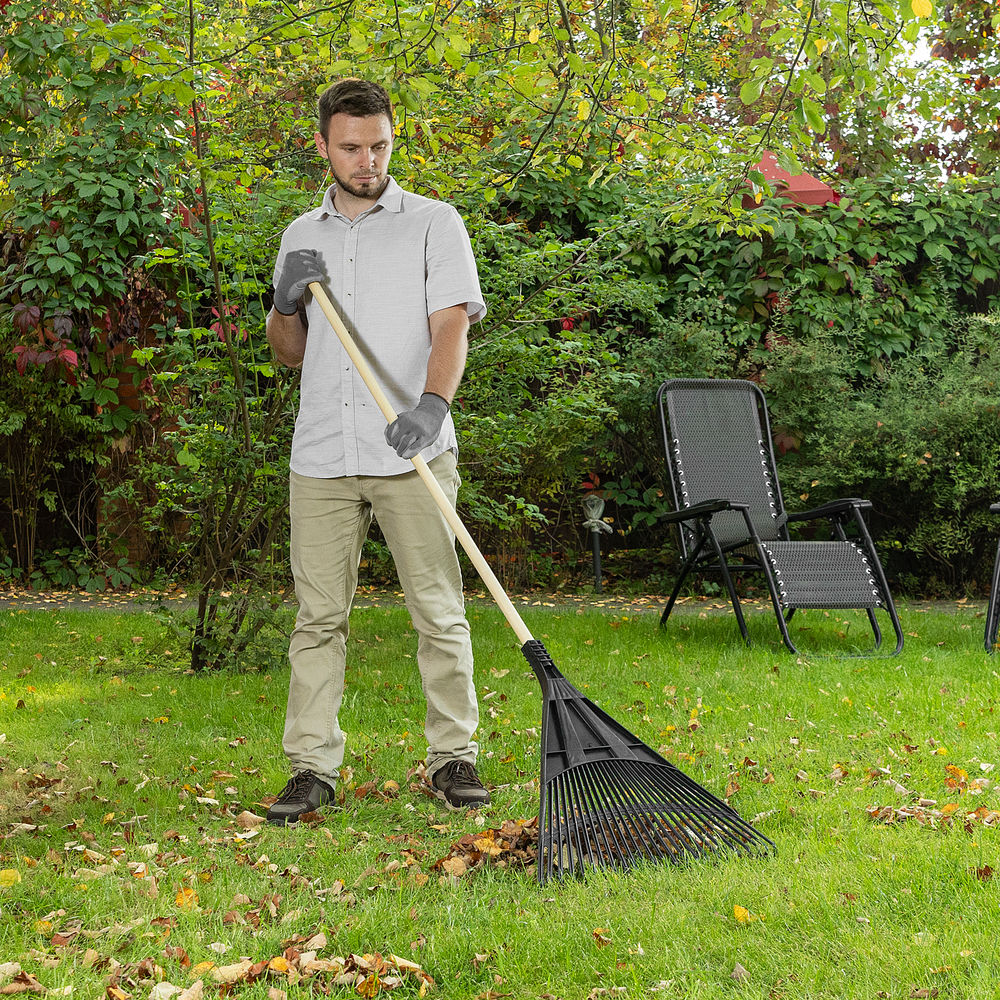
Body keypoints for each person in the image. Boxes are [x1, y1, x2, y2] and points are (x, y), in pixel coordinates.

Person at [264, 78, 489, 824]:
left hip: (409, 449)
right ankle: (311, 768)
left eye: (380, 146)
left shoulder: (433, 223)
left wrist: (432, 406)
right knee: (317, 619)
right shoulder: (301, 235)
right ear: (323, 146)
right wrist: (284, 302)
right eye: (352, 148)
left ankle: (452, 757)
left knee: (438, 610)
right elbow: (288, 353)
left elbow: (451, 323)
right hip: (322, 456)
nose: (368, 161)